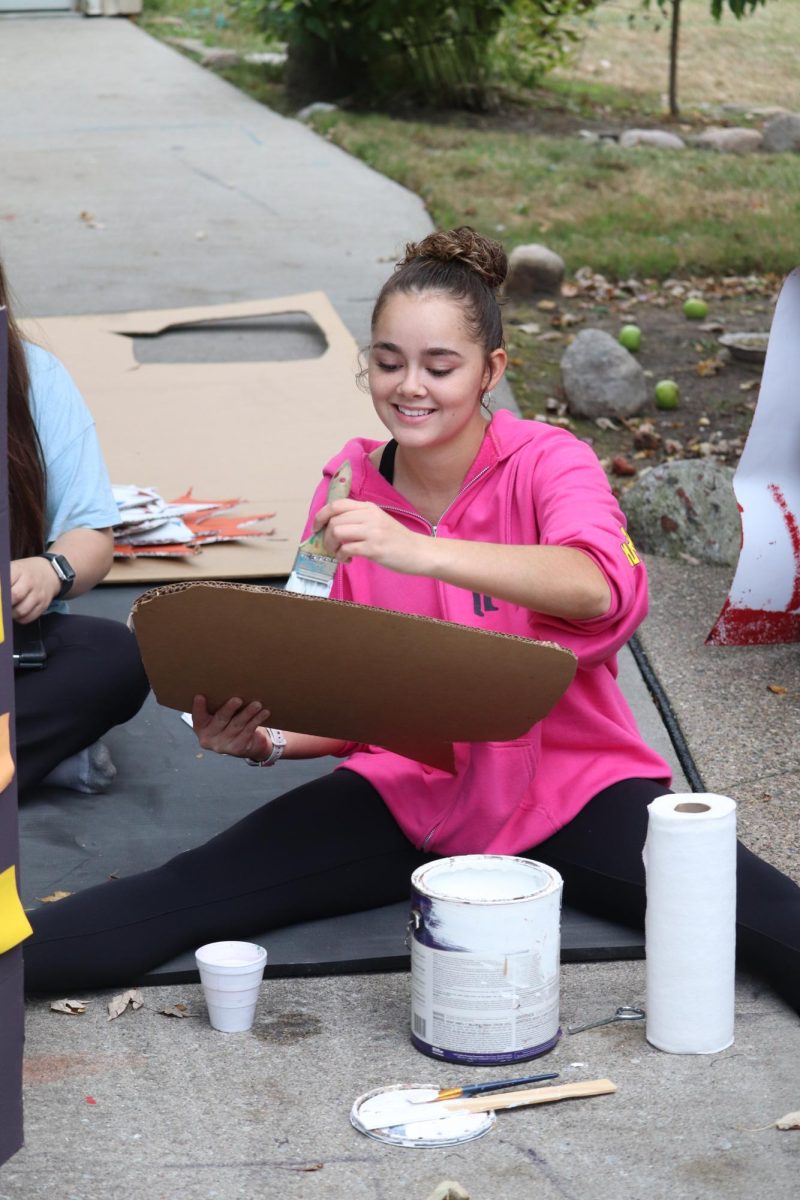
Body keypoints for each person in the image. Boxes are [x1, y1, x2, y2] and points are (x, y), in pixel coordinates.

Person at [23, 229, 799, 1011]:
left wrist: (422, 550)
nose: (409, 387)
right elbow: (331, 679)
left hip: (574, 787)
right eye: (388, 361)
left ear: (492, 370)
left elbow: (599, 586)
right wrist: (268, 736)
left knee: (770, 920)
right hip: (406, 792)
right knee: (180, 894)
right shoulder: (346, 479)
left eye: (440, 365)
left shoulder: (548, 460)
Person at [1, 257, 150, 796]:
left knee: (116, 658)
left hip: (11, 647)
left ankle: (21, 756)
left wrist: (49, 571)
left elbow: (91, 536)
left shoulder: (36, 378)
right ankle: (33, 758)